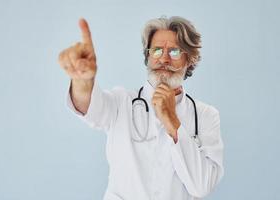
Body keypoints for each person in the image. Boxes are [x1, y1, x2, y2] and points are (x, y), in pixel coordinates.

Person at [58, 16, 224, 200]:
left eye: (175, 51)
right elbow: (89, 107)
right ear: (148, 56)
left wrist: (173, 123)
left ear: (190, 59)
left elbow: (202, 187)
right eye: (157, 50)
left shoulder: (206, 116)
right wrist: (82, 81)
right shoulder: (122, 102)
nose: (164, 58)